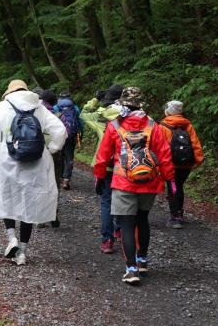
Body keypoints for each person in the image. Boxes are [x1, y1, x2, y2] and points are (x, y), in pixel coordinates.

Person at [0, 80, 67, 265]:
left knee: (6, 198)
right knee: (28, 205)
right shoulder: (39, 108)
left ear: (10, 91)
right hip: (35, 161)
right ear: (26, 90)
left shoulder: (3, 106)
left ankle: (11, 238)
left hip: (7, 160)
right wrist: (52, 149)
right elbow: (60, 131)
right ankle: (22, 252)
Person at [94, 87, 175, 285]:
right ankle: (143, 260)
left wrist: (99, 176)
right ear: (141, 104)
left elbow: (102, 157)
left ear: (122, 104)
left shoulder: (114, 126)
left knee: (127, 225)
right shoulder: (153, 125)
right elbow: (164, 155)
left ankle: (131, 269)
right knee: (142, 220)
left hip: (123, 182)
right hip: (149, 181)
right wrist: (169, 180)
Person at [81, 84, 123, 254]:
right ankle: (119, 229)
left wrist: (95, 99)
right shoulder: (129, 116)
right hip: (124, 166)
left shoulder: (101, 117)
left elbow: (83, 114)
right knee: (123, 200)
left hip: (104, 164)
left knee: (106, 201)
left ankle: (107, 240)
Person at [160, 100, 204, 229]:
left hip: (171, 163)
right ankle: (179, 212)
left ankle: (175, 218)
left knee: (173, 187)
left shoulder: (163, 125)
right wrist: (198, 160)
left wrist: (160, 164)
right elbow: (195, 143)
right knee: (179, 186)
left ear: (168, 111)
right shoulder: (187, 125)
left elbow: (161, 146)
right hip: (186, 163)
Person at [38, 89, 67, 228]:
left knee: (38, 182)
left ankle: (40, 217)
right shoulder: (58, 114)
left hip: (37, 152)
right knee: (54, 183)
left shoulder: (34, 111)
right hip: (54, 153)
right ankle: (53, 213)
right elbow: (65, 132)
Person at [53, 91, 84, 190]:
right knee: (69, 157)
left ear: (60, 98)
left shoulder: (56, 107)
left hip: (59, 135)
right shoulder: (75, 108)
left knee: (60, 156)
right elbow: (80, 122)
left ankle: (61, 178)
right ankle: (66, 180)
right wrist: (80, 134)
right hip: (72, 135)